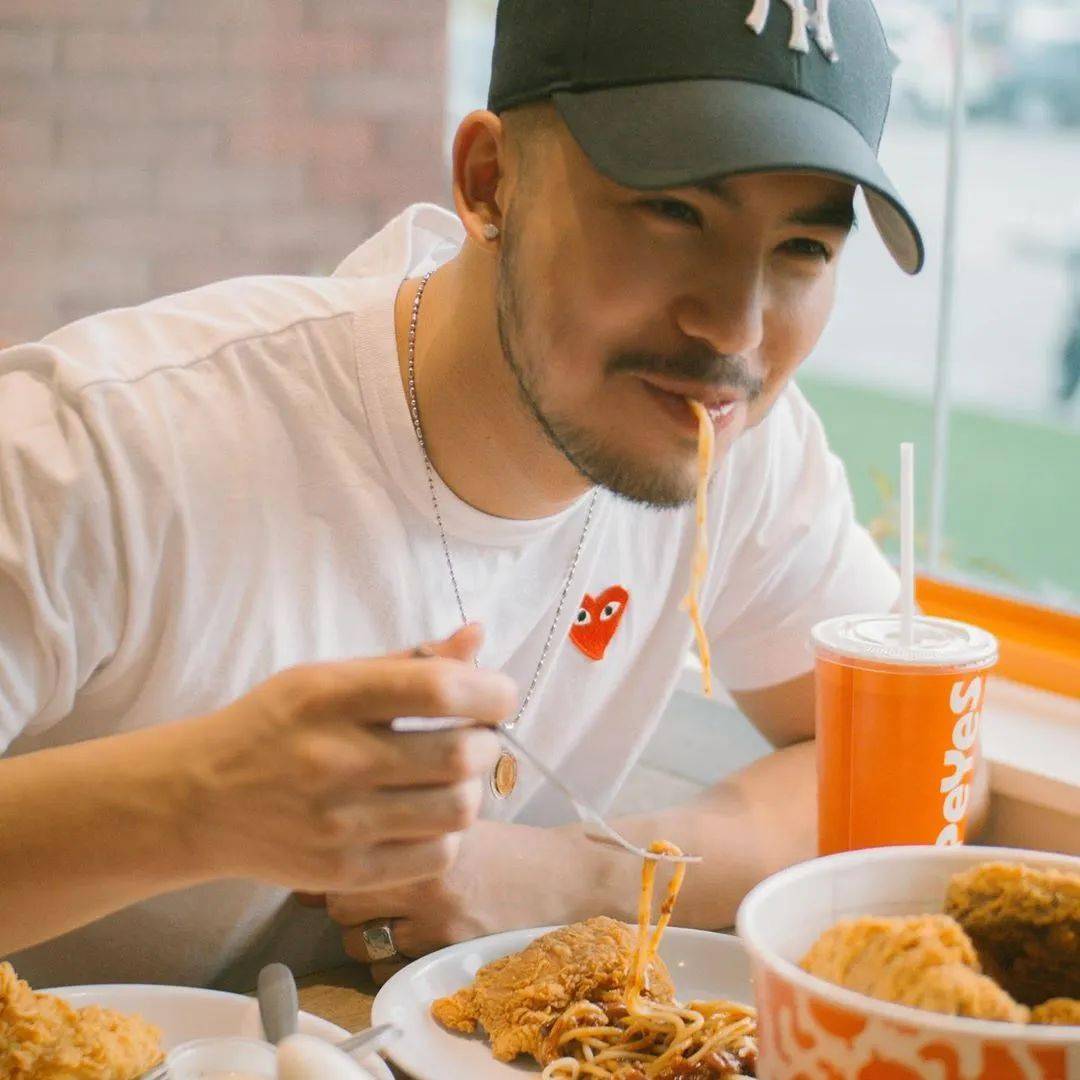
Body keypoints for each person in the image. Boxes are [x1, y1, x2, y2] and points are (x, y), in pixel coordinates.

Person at [0, 0, 955, 993]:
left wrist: (581, 877)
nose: (734, 330)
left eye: (803, 248)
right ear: (489, 182)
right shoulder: (106, 441)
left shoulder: (732, 446)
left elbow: (920, 761)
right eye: (675, 213)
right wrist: (195, 803)